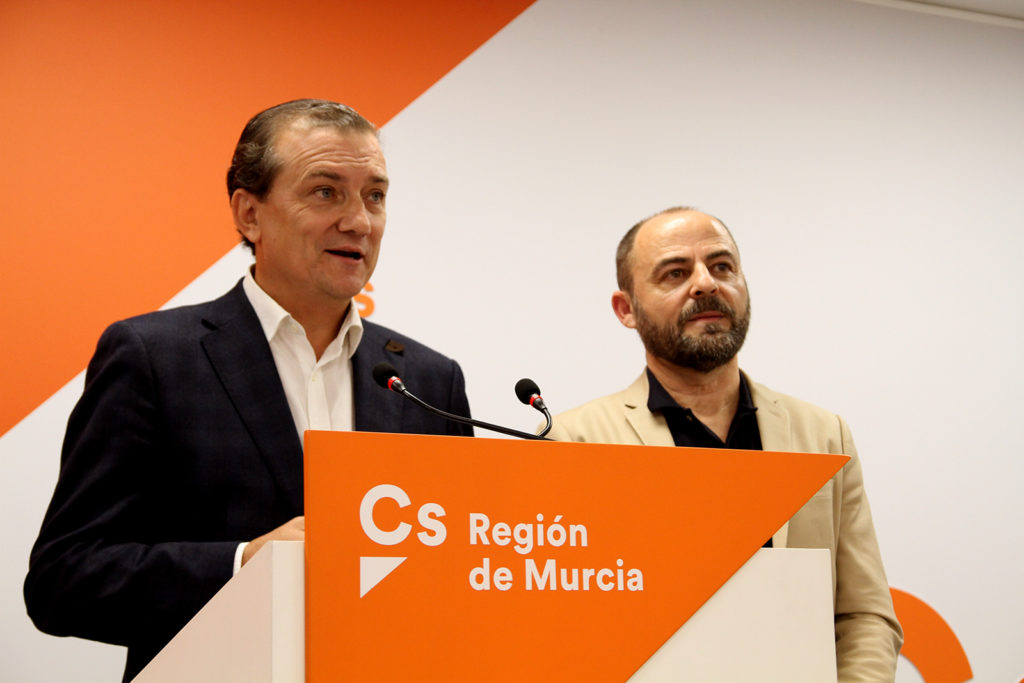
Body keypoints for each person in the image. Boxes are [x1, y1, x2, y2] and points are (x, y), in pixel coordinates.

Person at [24, 99, 472, 681]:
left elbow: (459, 575)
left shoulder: (429, 381)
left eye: (375, 195)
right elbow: (66, 579)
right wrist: (245, 565)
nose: (360, 221)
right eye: (326, 191)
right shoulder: (154, 359)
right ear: (250, 214)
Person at [547, 206, 903, 681]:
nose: (705, 284)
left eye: (722, 267)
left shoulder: (823, 434)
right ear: (626, 309)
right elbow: (562, 630)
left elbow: (864, 614)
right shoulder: (572, 443)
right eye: (675, 273)